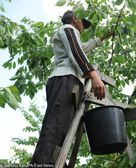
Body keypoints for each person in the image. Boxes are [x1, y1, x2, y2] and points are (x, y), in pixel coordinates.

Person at [30, 10, 114, 166]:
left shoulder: (70, 34)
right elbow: (76, 52)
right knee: (54, 127)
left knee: (61, 130)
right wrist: (94, 76)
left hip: (68, 81)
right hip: (65, 79)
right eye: (83, 23)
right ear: (75, 19)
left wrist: (103, 37)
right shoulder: (68, 29)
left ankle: (51, 162)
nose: (84, 27)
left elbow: (82, 48)